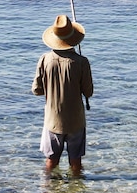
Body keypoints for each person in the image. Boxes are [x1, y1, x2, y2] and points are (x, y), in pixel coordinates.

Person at [32, 14, 93, 174]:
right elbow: (89, 91)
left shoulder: (44, 59)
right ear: (74, 38)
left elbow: (37, 90)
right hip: (76, 121)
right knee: (76, 162)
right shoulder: (82, 62)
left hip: (53, 120)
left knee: (51, 161)